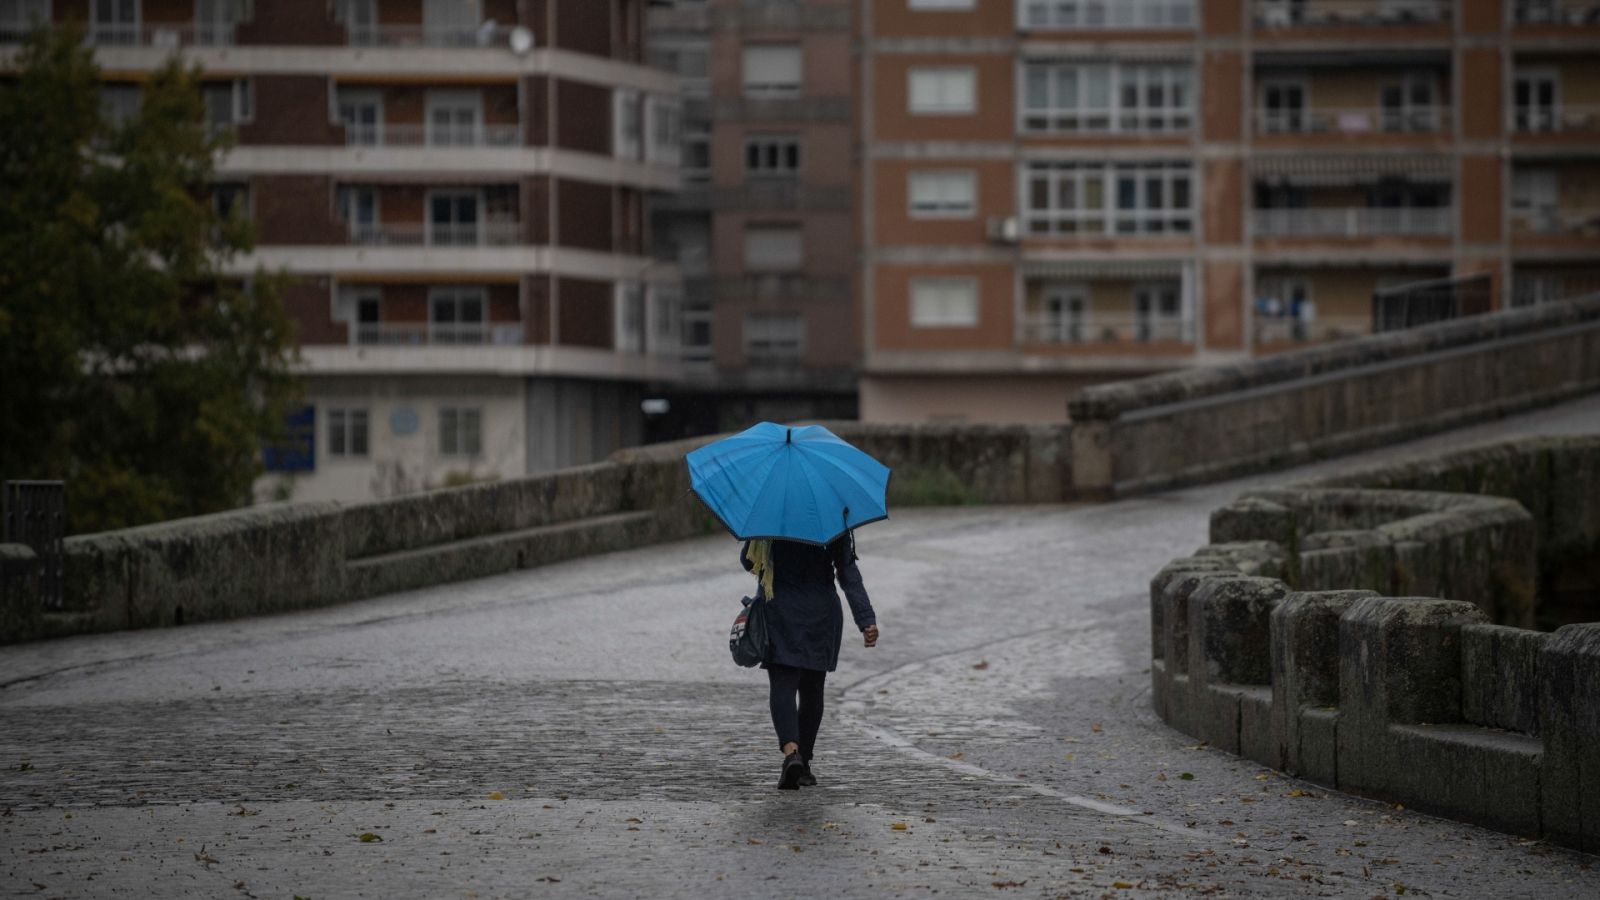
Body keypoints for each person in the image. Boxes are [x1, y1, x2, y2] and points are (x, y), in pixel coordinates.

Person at [741, 532, 878, 790]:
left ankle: (792, 754)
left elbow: (748, 562)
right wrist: (866, 618)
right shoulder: (832, 517)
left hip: (779, 609)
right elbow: (847, 569)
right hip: (821, 612)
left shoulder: (770, 515)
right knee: (813, 688)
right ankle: (804, 765)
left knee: (783, 684)